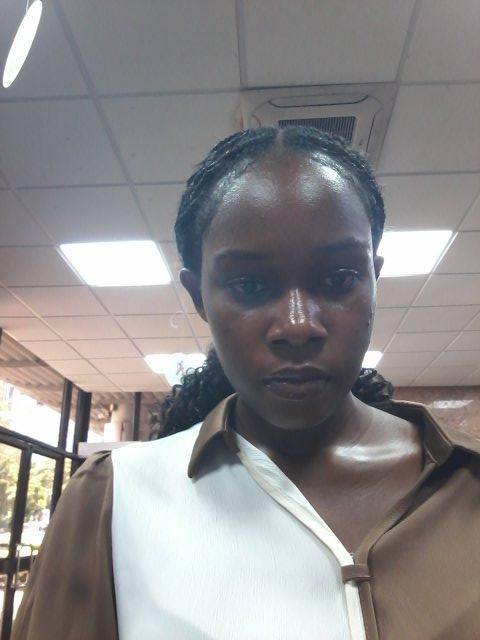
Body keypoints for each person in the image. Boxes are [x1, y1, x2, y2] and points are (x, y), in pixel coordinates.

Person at [12, 126, 480, 640]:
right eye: (250, 285)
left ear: (373, 278)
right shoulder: (114, 501)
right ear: (198, 296)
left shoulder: (467, 483)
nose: (298, 326)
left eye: (338, 279)